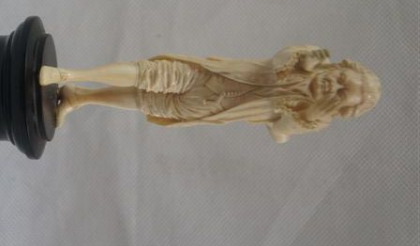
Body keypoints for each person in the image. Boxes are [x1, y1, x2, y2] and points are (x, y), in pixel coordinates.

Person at [39, 45, 381, 143]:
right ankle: (70, 74)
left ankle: (78, 97)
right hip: (211, 76)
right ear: (339, 67)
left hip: (210, 107)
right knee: (151, 74)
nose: (333, 86)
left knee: (145, 101)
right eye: (341, 79)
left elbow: (278, 131)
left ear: (338, 107)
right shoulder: (309, 59)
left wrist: (300, 121)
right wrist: (303, 60)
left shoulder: (312, 119)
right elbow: (276, 62)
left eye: (341, 94)